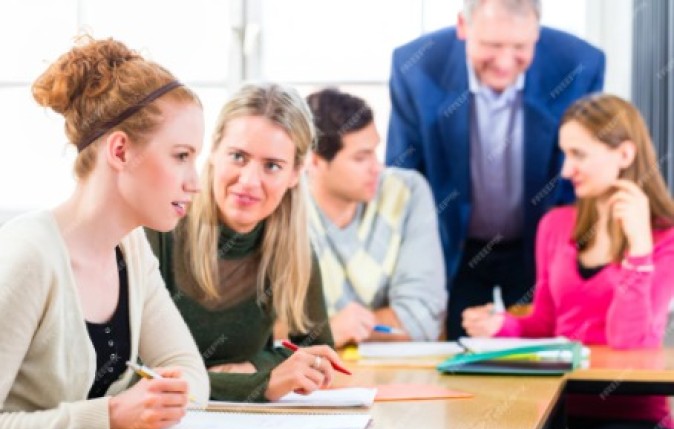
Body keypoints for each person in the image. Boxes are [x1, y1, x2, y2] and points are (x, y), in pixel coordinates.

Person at [0, 36, 210, 429]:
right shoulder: (27, 257)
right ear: (120, 150)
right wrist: (110, 415)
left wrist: (163, 398)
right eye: (181, 156)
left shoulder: (131, 250)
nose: (196, 183)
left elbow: (188, 370)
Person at [463, 93, 674, 429]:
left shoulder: (665, 238)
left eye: (579, 154)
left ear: (624, 154)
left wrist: (639, 250)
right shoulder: (556, 226)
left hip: (632, 419)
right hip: (555, 411)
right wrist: (501, 325)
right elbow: (546, 323)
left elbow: (628, 341)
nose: (565, 170)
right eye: (565, 154)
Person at [385, 0, 606, 339]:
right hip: (454, 245)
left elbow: (582, 172)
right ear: (463, 26)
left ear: (536, 32)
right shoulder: (416, 67)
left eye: (519, 47)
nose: (504, 62)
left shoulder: (579, 64)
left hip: (539, 243)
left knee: (544, 354)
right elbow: (403, 175)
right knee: (459, 352)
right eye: (491, 45)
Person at [146, 83, 345, 403]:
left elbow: (316, 354)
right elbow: (134, 374)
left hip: (243, 424)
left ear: (296, 173)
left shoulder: (294, 250)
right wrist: (257, 383)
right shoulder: (159, 228)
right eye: (238, 156)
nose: (250, 181)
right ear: (213, 152)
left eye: (272, 166)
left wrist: (255, 366)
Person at [303, 88, 446, 348]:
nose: (377, 168)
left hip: (392, 370)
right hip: (310, 371)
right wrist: (329, 329)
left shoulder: (407, 192)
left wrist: (322, 331)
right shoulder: (282, 204)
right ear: (314, 161)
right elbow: (264, 328)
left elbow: (423, 319)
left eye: (374, 152)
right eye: (361, 158)